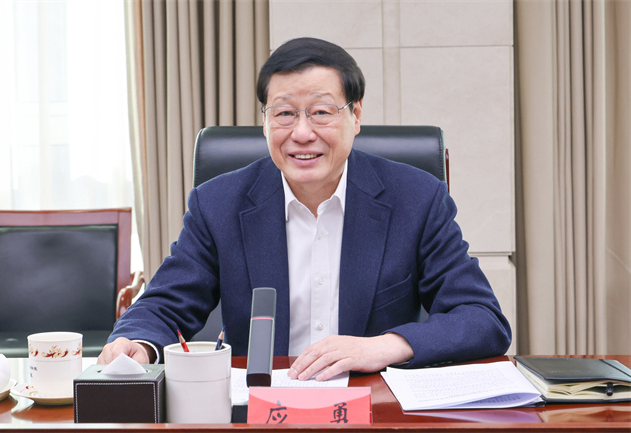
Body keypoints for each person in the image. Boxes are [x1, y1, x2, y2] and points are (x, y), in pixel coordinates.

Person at [99, 37, 511, 381]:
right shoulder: (218, 203)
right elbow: (165, 304)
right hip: (261, 405)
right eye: (284, 113)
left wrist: (384, 346)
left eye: (320, 112)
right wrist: (135, 342)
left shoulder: (416, 198)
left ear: (355, 116)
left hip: (375, 404)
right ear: (265, 121)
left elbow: (481, 318)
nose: (301, 133)